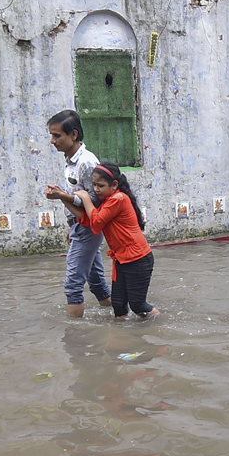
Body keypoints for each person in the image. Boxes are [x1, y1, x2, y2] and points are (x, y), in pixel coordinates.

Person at [56, 162, 158, 320]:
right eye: (94, 185)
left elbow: (96, 221)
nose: (96, 189)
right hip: (121, 259)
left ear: (114, 184)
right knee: (118, 305)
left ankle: (160, 329)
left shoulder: (118, 199)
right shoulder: (107, 201)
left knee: (138, 306)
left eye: (100, 185)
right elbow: (87, 219)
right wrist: (63, 197)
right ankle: (123, 339)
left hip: (138, 258)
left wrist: (84, 197)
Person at [43, 110, 111, 318]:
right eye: (51, 135)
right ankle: (118, 317)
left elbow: (96, 199)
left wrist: (62, 196)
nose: (53, 141)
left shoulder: (86, 162)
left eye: (57, 136)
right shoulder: (71, 159)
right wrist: (71, 225)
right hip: (80, 225)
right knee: (95, 279)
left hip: (88, 226)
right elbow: (79, 197)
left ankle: (75, 337)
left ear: (73, 135)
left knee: (73, 283)